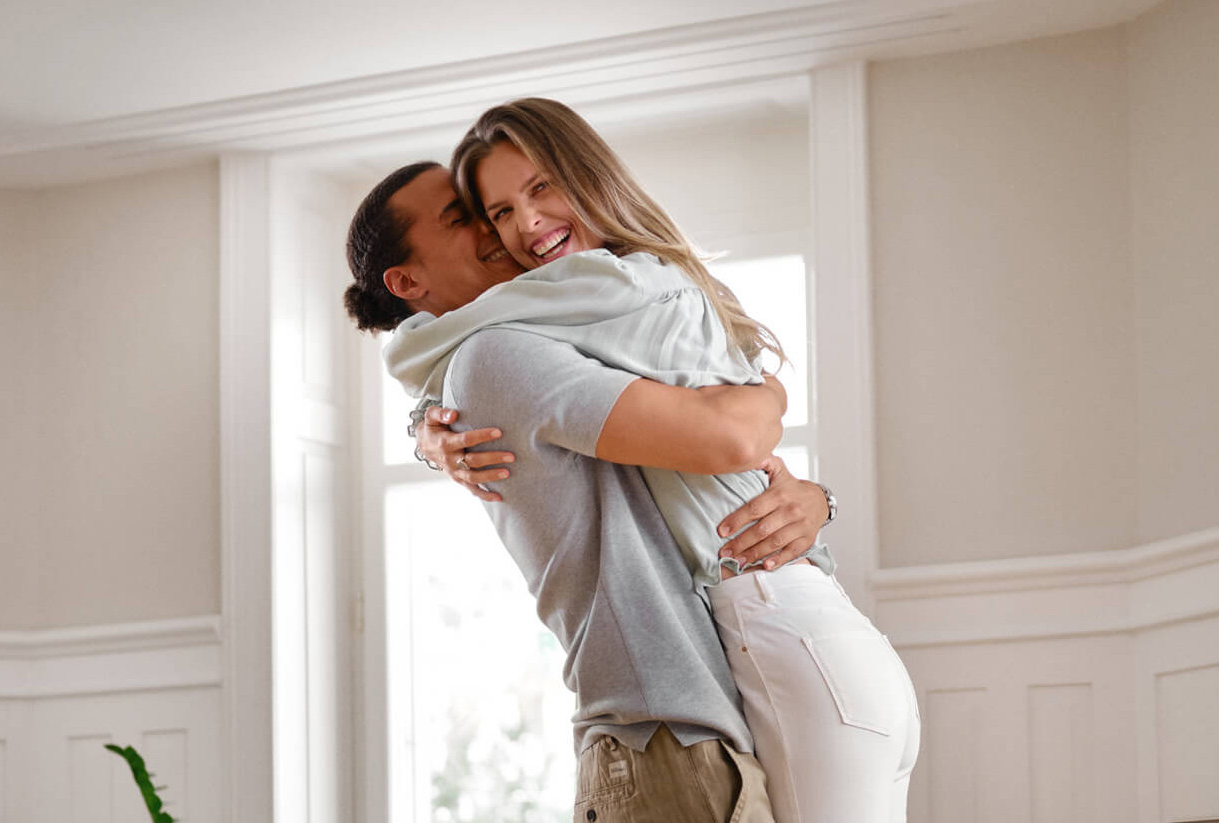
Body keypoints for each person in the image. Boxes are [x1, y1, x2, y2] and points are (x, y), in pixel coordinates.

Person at [401, 97, 920, 822]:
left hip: (777, 626)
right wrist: (428, 430)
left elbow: (467, 344)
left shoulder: (600, 291)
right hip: (827, 634)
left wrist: (424, 407)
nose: (525, 226)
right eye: (501, 213)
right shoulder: (660, 281)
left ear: (588, 176)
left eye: (542, 188)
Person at [345, 160, 834, 822]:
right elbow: (731, 433)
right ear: (407, 282)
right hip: (666, 739)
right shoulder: (495, 356)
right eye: (463, 218)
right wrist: (769, 395)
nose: (498, 228)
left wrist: (814, 498)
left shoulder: (527, 343)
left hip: (684, 733)